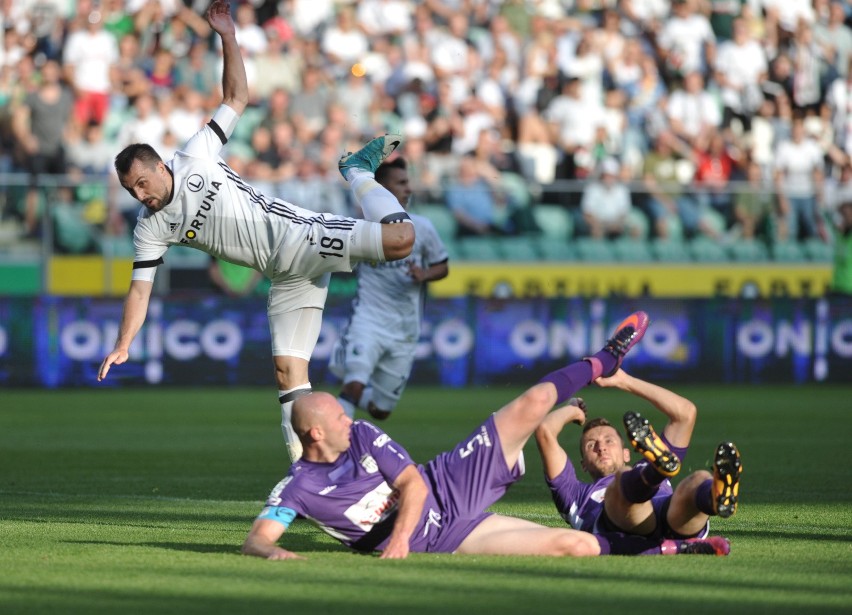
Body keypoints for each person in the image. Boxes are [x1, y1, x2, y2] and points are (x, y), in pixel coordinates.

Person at [96, 1, 416, 465]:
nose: (140, 195)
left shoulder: (196, 155)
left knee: (401, 240)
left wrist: (227, 36)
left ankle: (357, 170)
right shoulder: (151, 228)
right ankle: (305, 479)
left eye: (142, 183)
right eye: (131, 191)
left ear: (162, 167)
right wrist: (123, 344)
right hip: (283, 275)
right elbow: (139, 292)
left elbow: (235, 98)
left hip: (302, 238)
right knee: (289, 375)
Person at [242, 311, 732, 560]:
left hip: (443, 485)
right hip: (444, 538)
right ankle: (667, 548)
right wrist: (272, 551)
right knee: (578, 548)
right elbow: (258, 539)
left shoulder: (364, 434)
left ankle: (604, 359)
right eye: (340, 419)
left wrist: (399, 541)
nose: (352, 420)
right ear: (314, 433)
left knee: (534, 402)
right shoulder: (299, 486)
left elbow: (412, 484)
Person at [534, 366, 742, 547]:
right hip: (622, 529)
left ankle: (716, 499)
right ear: (584, 465)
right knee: (622, 480)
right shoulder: (573, 493)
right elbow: (545, 431)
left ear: (626, 453)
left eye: (609, 440)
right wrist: (572, 410)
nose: (601, 447)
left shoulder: (640, 465)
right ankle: (656, 474)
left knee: (699, 479)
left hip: (672, 520)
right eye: (591, 445)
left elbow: (685, 413)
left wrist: (626, 381)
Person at [329, 157, 449, 421]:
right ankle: (337, 455)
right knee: (354, 384)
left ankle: (338, 401)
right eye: (402, 183)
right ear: (381, 190)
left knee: (380, 411)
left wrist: (425, 274)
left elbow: (443, 266)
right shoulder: (361, 227)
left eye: (408, 183)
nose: (408, 189)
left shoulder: (423, 228)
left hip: (405, 330)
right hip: (368, 321)